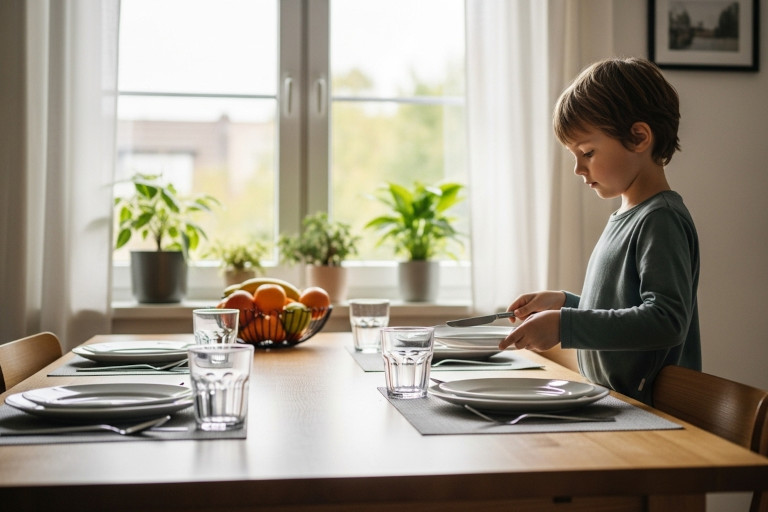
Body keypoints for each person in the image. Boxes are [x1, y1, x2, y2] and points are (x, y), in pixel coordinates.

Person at [499, 57, 701, 405]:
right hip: (614, 402)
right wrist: (565, 303)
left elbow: (665, 320)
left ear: (639, 137)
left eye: (588, 152)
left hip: (653, 412)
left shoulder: (661, 219)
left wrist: (565, 324)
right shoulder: (627, 215)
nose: (578, 168)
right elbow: (623, 310)